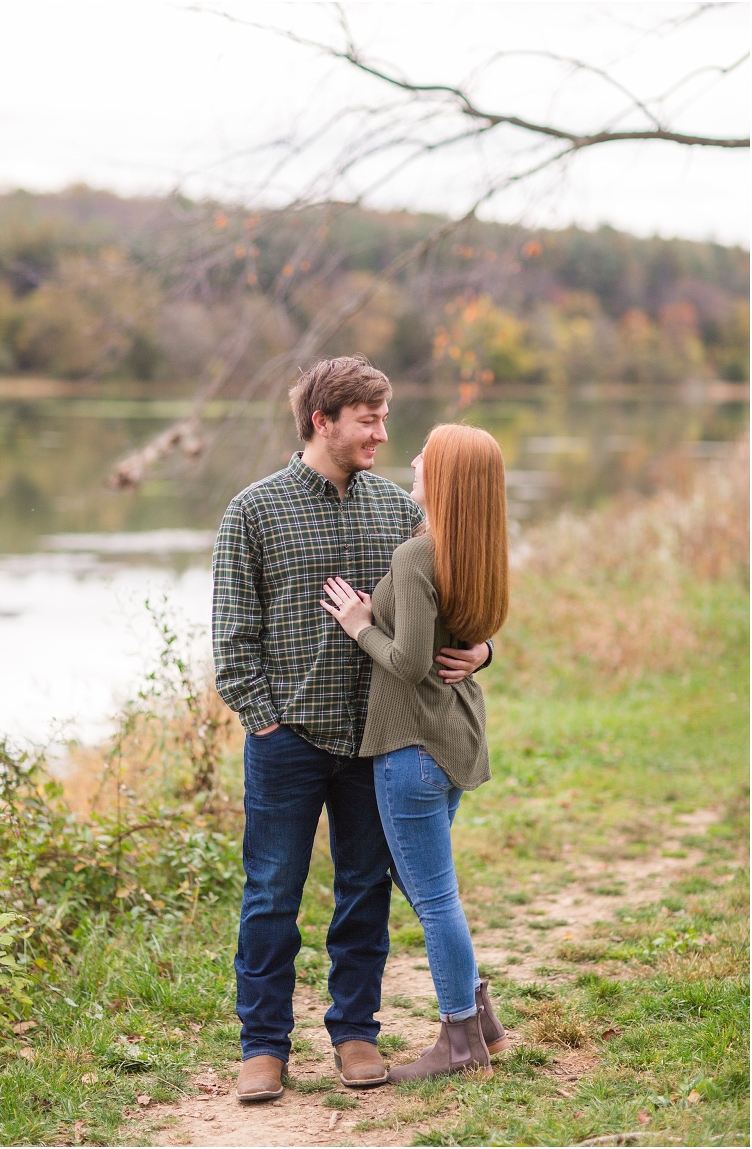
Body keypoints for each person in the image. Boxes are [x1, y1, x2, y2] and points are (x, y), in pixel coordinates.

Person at [212, 357, 492, 1102]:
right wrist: (263, 718)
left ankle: (355, 1032)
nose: (382, 431)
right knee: (272, 891)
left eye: (383, 415)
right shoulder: (253, 510)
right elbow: (233, 637)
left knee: (363, 890)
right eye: (368, 418)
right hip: (288, 740)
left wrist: (487, 650)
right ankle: (263, 1048)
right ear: (322, 421)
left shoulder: (398, 511)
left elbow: (457, 597)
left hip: (379, 741)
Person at [320, 422, 510, 1082]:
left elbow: (407, 662)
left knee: (433, 898)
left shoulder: (416, 555)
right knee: (421, 881)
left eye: (426, 456)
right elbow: (450, 634)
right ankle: (480, 1016)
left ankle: (459, 1040)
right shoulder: (475, 550)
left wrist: (361, 625)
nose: (412, 459)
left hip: (412, 746)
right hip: (453, 738)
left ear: (448, 477)